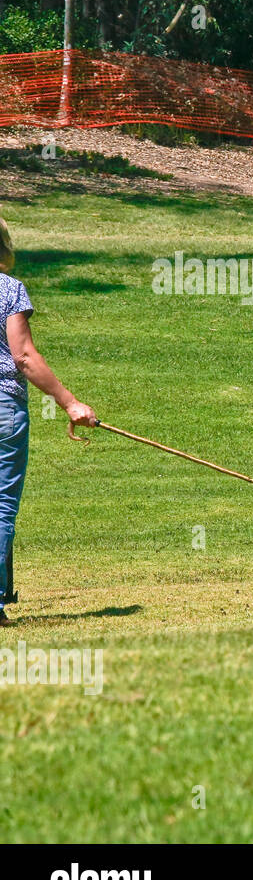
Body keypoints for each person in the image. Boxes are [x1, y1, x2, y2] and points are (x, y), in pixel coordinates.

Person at [0, 217, 97, 626]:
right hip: (3, 407)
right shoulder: (8, 289)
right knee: (1, 505)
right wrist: (69, 402)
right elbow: (22, 356)